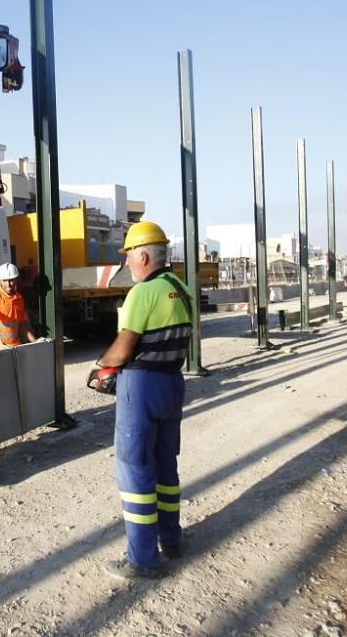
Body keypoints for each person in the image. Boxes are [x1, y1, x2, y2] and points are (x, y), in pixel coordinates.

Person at [96, 221, 192, 580]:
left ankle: (142, 559)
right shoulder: (181, 289)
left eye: (130, 258)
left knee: (135, 470)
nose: (129, 266)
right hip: (172, 384)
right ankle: (172, 539)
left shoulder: (142, 293)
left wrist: (100, 365)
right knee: (165, 467)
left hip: (142, 386)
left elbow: (123, 349)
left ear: (144, 255)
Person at [0, 263, 38, 350]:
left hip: (13, 350)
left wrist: (35, 342)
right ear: (0, 281)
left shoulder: (19, 299)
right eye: (5, 281)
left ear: (16, 280)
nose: (8, 284)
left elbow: (23, 326)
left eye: (11, 280)